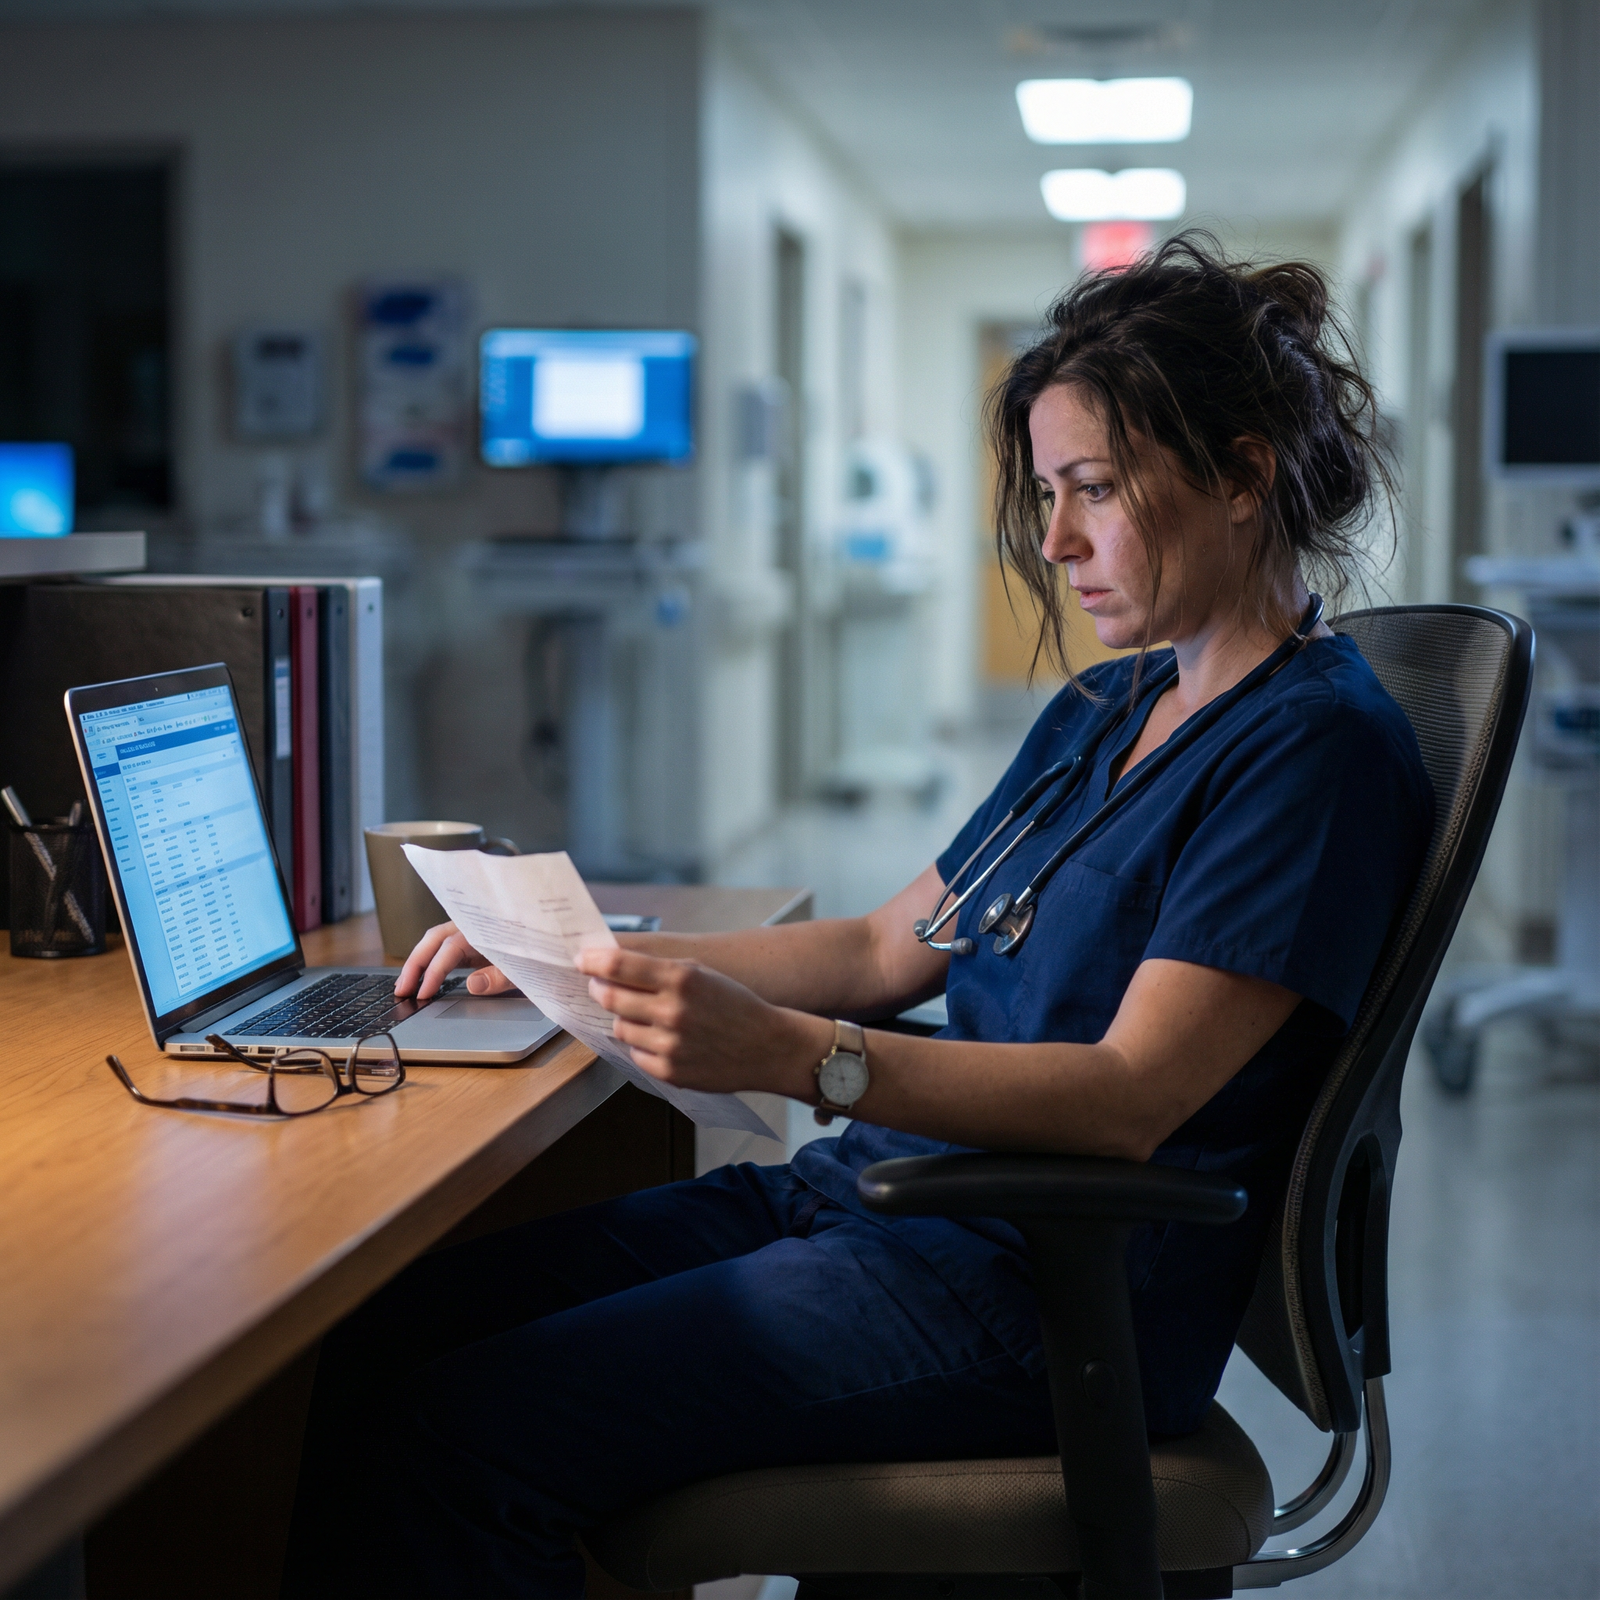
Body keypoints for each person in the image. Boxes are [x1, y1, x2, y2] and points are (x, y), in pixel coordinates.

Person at [283, 234, 1432, 1599]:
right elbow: (892, 947)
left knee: (452, 1437)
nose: (1057, 542)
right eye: (1051, 495)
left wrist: (794, 1056)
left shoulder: (1312, 752)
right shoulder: (1111, 710)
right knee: (378, 1336)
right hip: (878, 1204)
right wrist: (580, 952)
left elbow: (1129, 1098)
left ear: (1245, 476)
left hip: (1039, 1286)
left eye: (1095, 492)